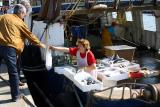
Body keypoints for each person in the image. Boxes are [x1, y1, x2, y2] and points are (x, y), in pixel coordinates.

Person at [0, 4, 46, 102]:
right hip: (10, 49)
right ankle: (16, 96)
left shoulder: (3, 17)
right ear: (20, 13)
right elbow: (29, 35)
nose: (24, 16)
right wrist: (40, 44)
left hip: (0, 46)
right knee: (13, 73)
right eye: (24, 14)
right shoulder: (19, 22)